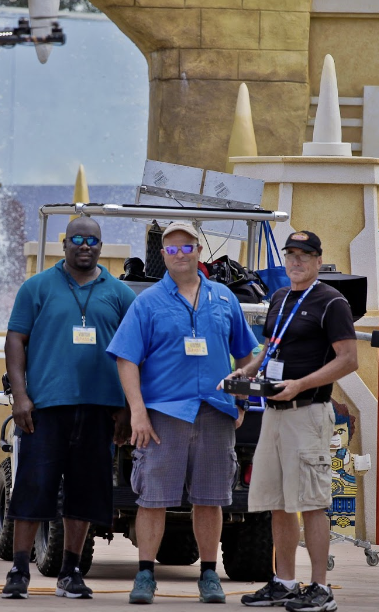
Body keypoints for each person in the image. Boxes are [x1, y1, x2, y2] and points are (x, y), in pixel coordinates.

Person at [107, 221, 258, 605]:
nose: (178, 254)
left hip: (214, 412)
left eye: (186, 247)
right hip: (164, 417)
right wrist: (137, 412)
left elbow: (248, 353)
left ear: (198, 251)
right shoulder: (147, 302)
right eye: (171, 249)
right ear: (163, 255)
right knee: (153, 498)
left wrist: (240, 399)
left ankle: (209, 575)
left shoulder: (224, 299)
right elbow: (126, 359)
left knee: (211, 498)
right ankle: (145, 576)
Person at [2, 216, 135, 600]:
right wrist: (21, 396)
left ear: (100, 245)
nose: (84, 245)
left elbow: (135, 352)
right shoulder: (37, 287)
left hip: (100, 410)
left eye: (92, 239)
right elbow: (15, 340)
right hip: (45, 408)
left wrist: (127, 406)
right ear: (64, 243)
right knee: (32, 488)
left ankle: (72, 570)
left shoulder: (120, 292)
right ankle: (19, 570)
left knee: (86, 492)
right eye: (77, 238)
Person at [229, 230, 357, 612]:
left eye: (305, 255)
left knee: (312, 502)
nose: (296, 261)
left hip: (308, 414)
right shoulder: (281, 298)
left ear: (319, 260)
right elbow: (268, 350)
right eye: (291, 254)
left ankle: (320, 588)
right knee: (278, 503)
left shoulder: (332, 302)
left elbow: (348, 360)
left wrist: (300, 384)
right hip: (273, 413)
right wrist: (244, 375)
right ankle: (284, 581)